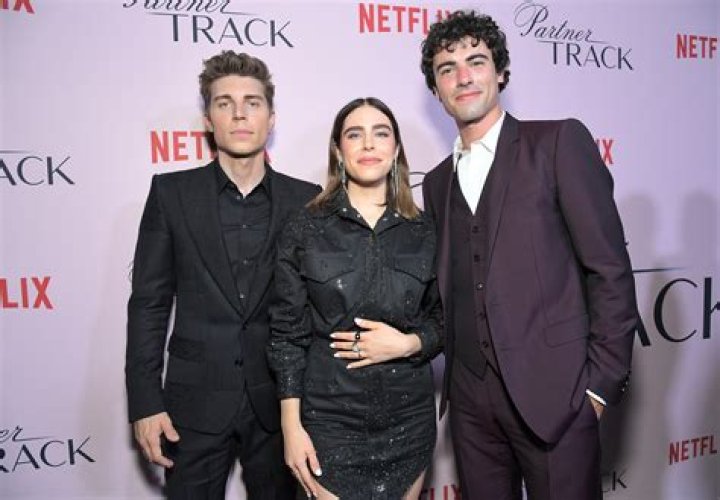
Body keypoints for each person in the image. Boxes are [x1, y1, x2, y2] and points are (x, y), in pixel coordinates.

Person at [419, 11, 638, 500]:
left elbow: (609, 271)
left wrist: (598, 387)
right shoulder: (436, 183)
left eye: (476, 62)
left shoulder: (557, 143)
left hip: (557, 396)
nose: (463, 77)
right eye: (447, 69)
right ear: (436, 90)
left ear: (500, 72)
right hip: (471, 405)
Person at [125, 50, 320, 499]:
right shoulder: (171, 194)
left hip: (280, 407)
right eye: (224, 103)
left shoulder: (306, 200)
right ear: (208, 120)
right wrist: (145, 402)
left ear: (271, 118)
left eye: (252, 102)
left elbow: (317, 308)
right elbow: (149, 304)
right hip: (191, 406)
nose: (239, 114)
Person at [268, 97, 443, 499]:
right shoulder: (305, 227)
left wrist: (409, 344)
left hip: (408, 422)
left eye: (381, 134)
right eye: (354, 134)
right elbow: (286, 335)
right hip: (329, 422)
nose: (368, 144)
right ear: (337, 150)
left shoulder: (425, 230)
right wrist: (291, 426)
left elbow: (446, 319)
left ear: (395, 150)